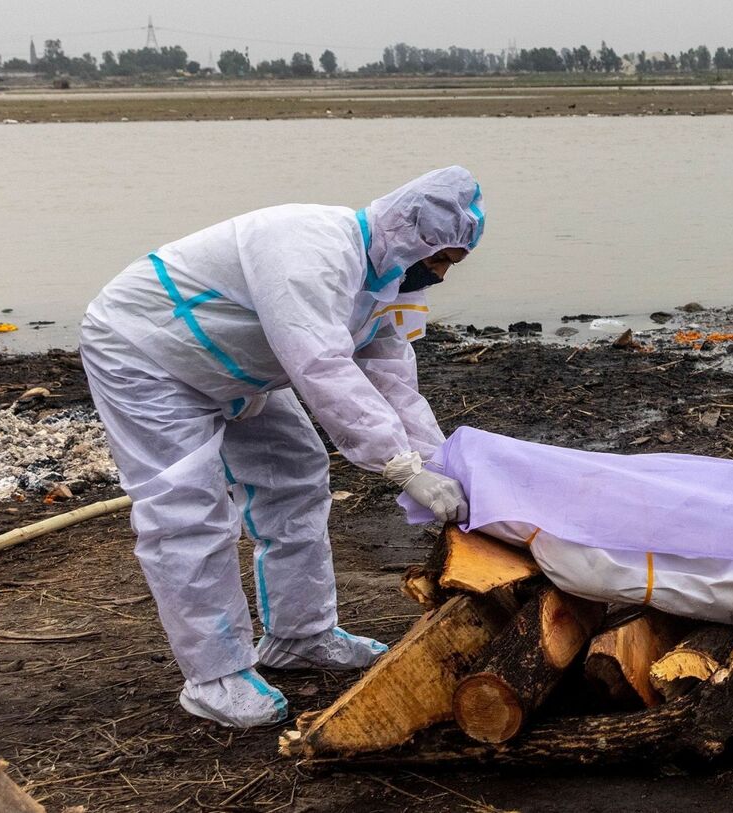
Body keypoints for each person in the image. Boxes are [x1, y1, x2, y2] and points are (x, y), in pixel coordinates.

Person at [80, 167, 486, 728]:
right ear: (411, 233)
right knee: (187, 510)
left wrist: (443, 466)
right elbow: (320, 365)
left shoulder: (390, 280)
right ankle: (215, 675)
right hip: (149, 355)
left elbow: (392, 378)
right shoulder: (312, 247)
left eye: (452, 264)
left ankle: (300, 635)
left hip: (240, 367)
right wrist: (401, 467)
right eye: (440, 257)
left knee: (295, 472)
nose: (440, 274)